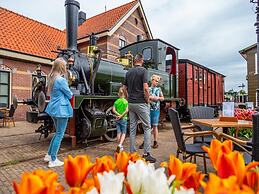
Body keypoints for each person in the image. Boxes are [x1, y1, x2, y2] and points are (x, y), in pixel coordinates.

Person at [123, 53, 156, 163]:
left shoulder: (128, 72)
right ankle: (146, 153)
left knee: (132, 128)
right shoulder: (143, 71)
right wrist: (147, 100)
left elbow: (123, 89)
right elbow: (146, 88)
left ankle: (132, 153)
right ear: (141, 61)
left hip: (131, 103)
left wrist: (128, 99)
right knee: (147, 127)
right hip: (141, 102)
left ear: (134, 61)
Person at [44, 57, 73, 168]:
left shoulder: (51, 78)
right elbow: (69, 94)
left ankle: (49, 155)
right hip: (62, 109)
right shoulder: (61, 80)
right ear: (62, 67)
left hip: (53, 108)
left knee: (57, 134)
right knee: (60, 135)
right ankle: (53, 159)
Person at [140, 74, 164, 149]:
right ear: (152, 80)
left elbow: (163, 98)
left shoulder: (159, 89)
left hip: (156, 110)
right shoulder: (148, 88)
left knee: (155, 126)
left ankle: (155, 142)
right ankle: (145, 142)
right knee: (147, 126)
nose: (157, 82)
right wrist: (150, 97)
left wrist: (156, 98)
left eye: (158, 81)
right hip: (148, 109)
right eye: (156, 81)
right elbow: (145, 96)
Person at [112, 87, 128, 153]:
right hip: (123, 119)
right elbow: (127, 111)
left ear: (118, 94)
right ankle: (120, 144)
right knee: (124, 133)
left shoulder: (116, 101)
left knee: (118, 132)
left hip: (117, 119)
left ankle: (118, 144)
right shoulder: (126, 102)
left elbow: (113, 110)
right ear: (125, 94)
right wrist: (121, 116)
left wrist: (118, 115)